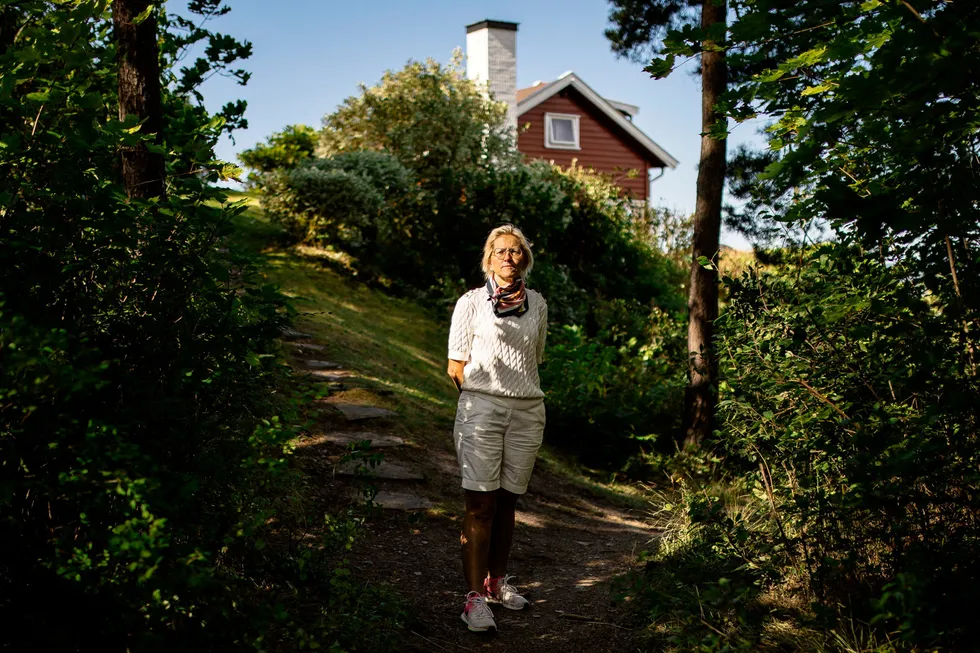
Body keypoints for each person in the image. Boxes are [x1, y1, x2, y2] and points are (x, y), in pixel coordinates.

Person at [447, 224, 548, 633]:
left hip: (527, 411)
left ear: (525, 259)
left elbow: (535, 357)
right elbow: (456, 367)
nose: (510, 257)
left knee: (508, 501)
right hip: (482, 409)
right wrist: (482, 399)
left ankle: (495, 582)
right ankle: (473, 600)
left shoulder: (538, 303)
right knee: (480, 505)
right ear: (489, 259)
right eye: (502, 251)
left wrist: (514, 394)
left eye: (517, 251)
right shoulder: (471, 303)